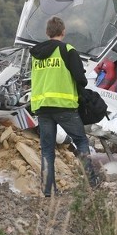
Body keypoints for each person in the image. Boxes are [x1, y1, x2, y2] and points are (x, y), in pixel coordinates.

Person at [30, 16, 100, 197]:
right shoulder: (67, 50)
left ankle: (47, 191)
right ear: (63, 32)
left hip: (43, 108)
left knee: (47, 149)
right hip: (64, 107)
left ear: (47, 33)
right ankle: (91, 183)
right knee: (81, 141)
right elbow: (80, 78)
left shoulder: (36, 55)